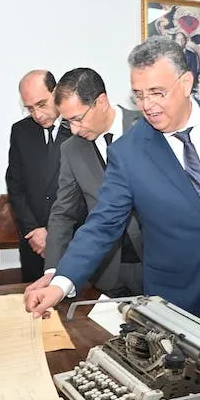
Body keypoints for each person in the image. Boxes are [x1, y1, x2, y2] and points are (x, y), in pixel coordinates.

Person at [25, 36, 200, 319]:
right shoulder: (128, 152)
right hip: (178, 298)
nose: (148, 105)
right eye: (139, 95)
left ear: (186, 83)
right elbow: (103, 224)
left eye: (157, 92)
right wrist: (60, 283)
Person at [28, 68, 144, 297]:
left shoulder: (144, 128)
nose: (74, 130)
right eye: (67, 122)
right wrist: (54, 271)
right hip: (108, 270)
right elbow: (63, 213)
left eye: (78, 119)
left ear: (101, 102)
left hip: (156, 264)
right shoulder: (72, 149)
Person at [6, 70, 72, 281]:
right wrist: (34, 230)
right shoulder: (21, 131)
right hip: (33, 244)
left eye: (42, 104)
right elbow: (15, 186)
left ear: (57, 92)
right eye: (30, 108)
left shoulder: (78, 127)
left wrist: (52, 233)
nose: (37, 115)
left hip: (72, 241)